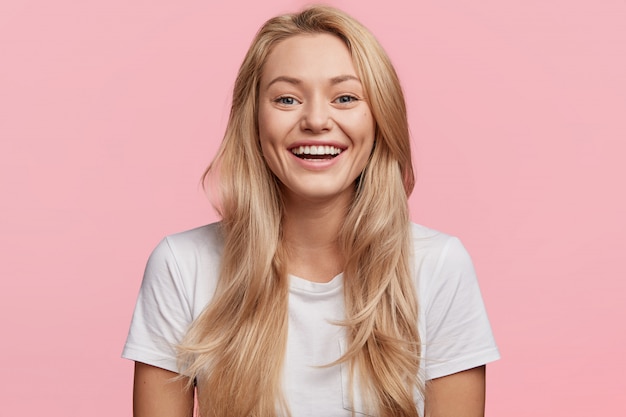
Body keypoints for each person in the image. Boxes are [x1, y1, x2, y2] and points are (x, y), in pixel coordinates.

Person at [122, 5, 500, 417]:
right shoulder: (181, 265)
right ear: (253, 120)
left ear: (379, 118)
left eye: (345, 98)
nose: (317, 120)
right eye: (287, 98)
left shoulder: (439, 266)